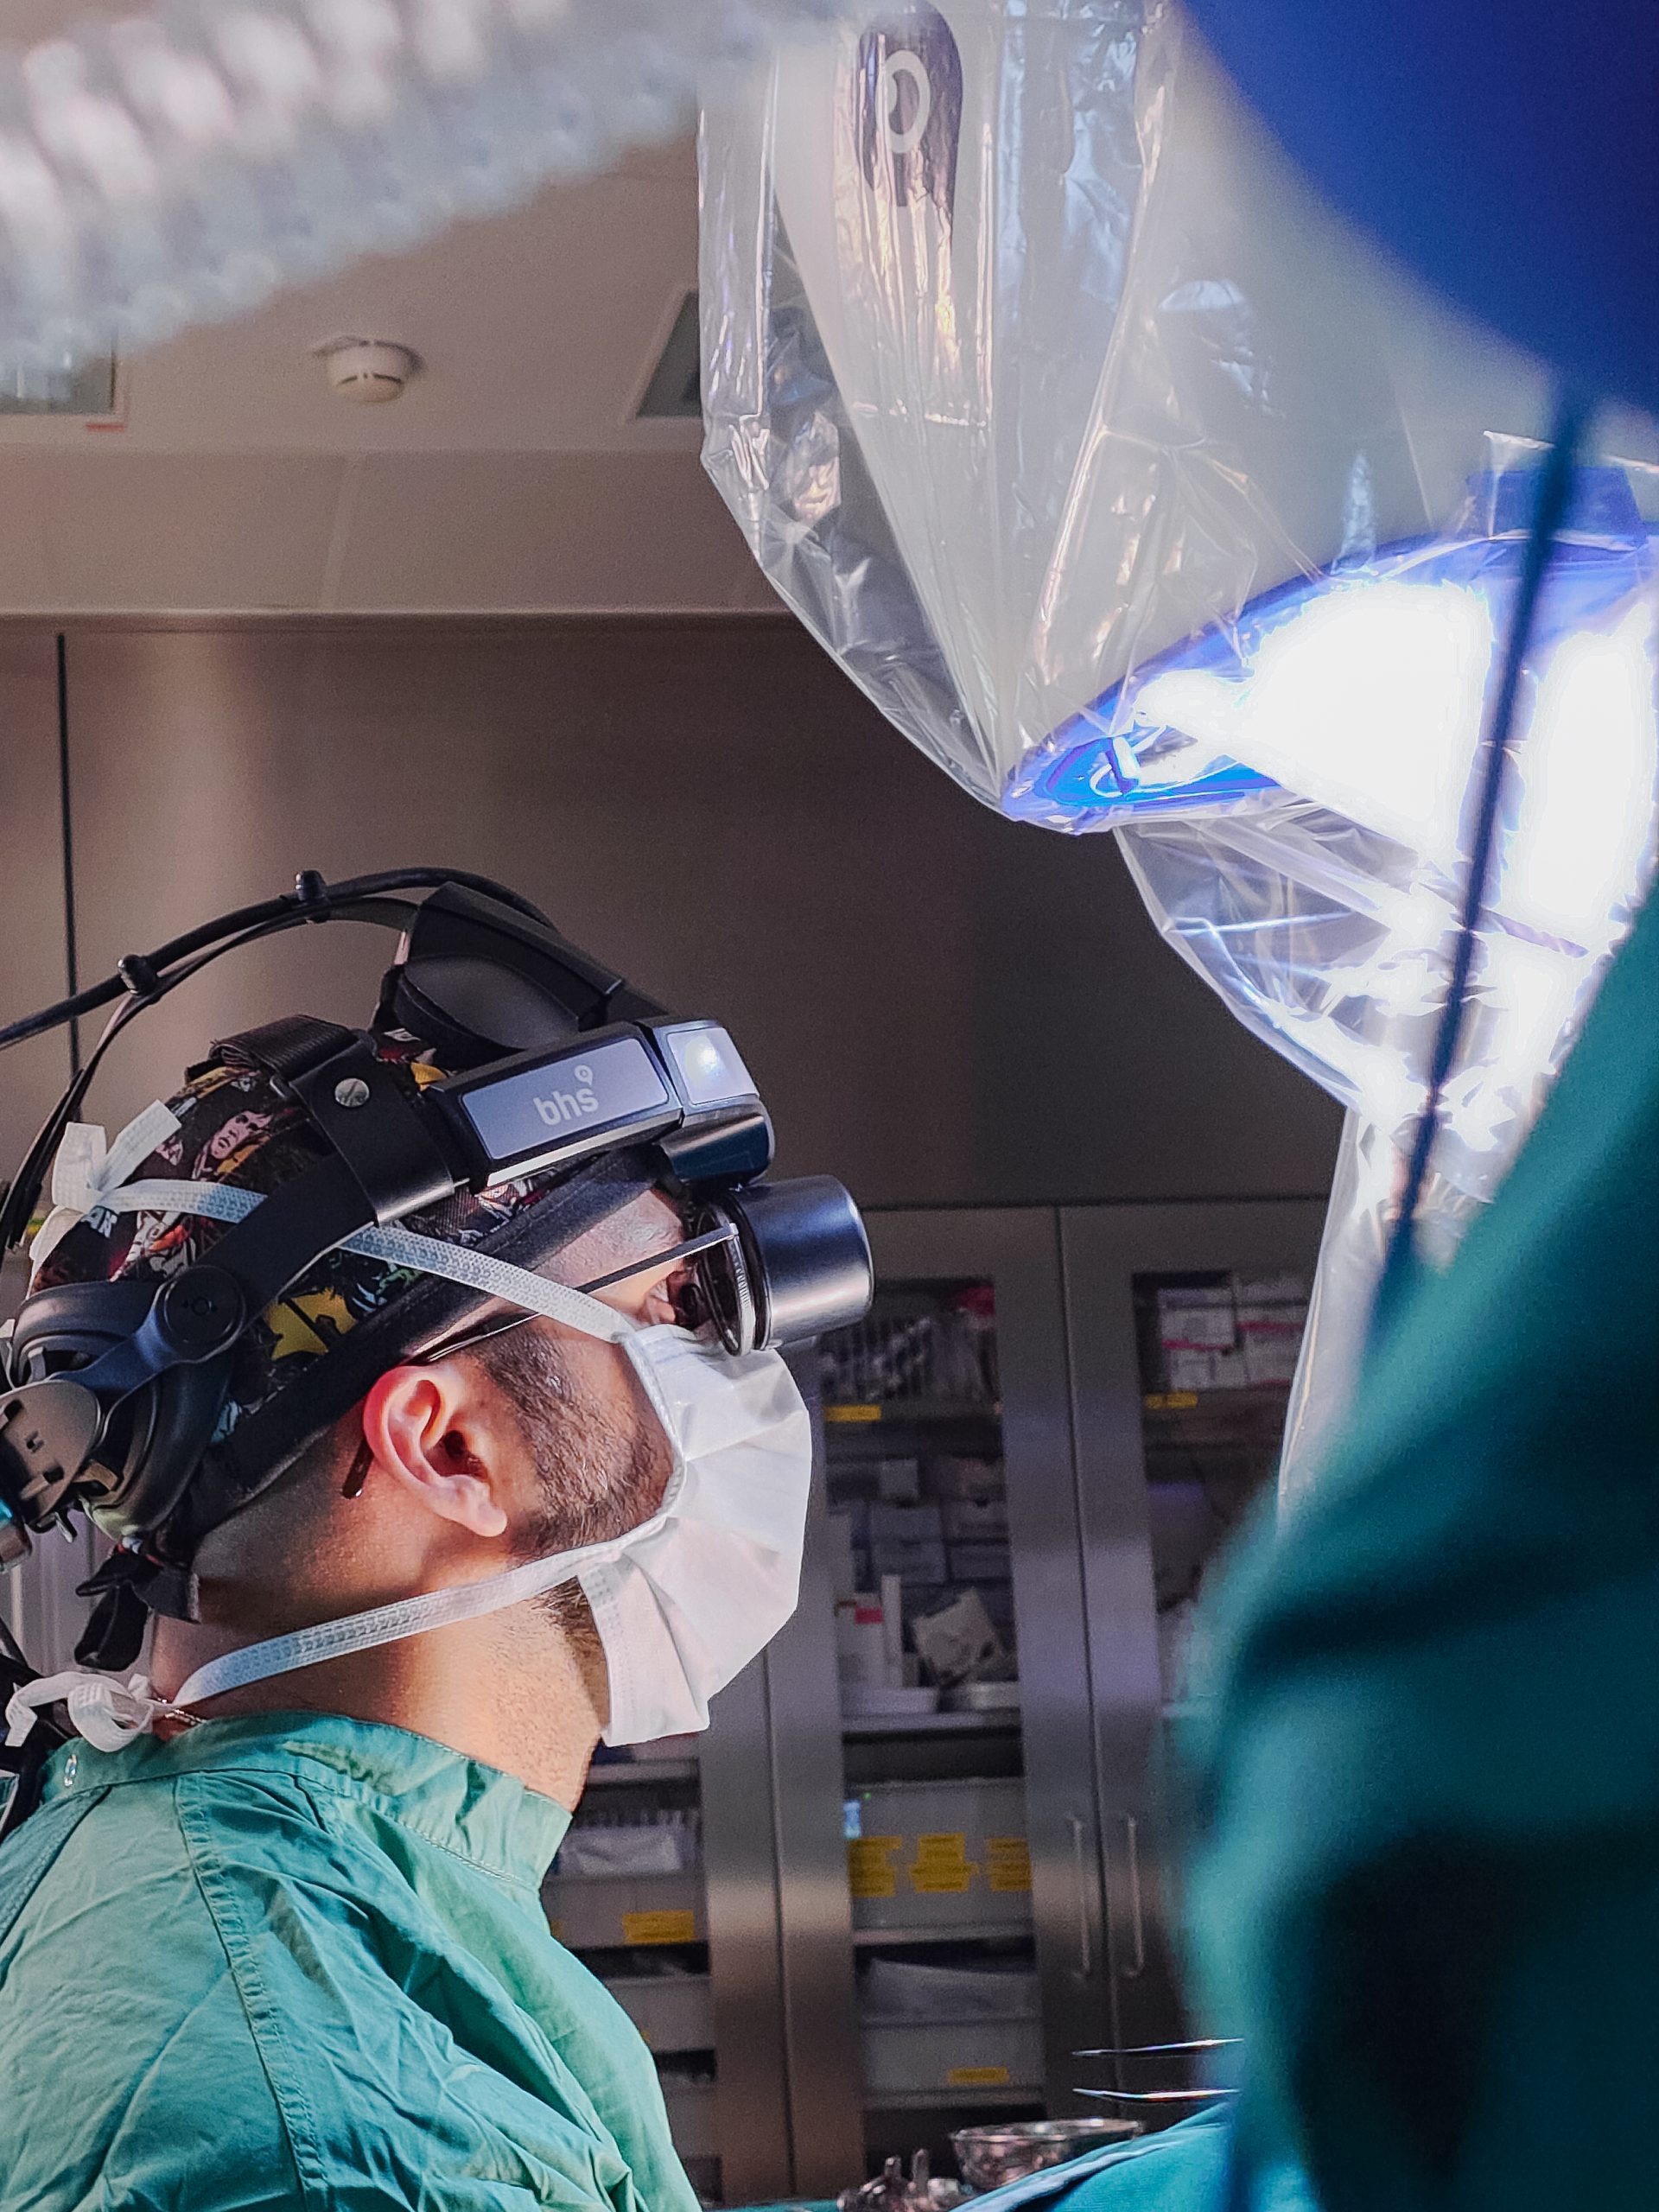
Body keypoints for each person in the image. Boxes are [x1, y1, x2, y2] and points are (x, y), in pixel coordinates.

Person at [0, 1001, 828, 2212]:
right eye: (676, 1308)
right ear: (448, 1445)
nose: (742, 1368)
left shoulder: (249, 1890)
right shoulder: (321, 2131)